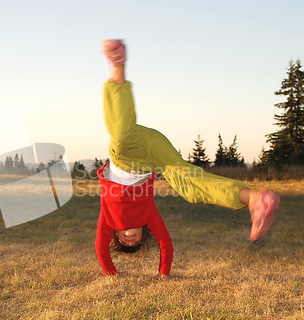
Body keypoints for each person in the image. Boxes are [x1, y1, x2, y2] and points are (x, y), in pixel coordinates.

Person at [95, 40, 280, 281]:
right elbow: (165, 243)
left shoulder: (107, 220)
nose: (130, 239)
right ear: (144, 233)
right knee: (188, 182)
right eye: (136, 242)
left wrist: (111, 273)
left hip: (127, 156)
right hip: (154, 157)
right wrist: (164, 273)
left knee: (120, 133)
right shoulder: (149, 217)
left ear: (116, 235)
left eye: (124, 241)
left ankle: (117, 64)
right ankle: (254, 198)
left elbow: (101, 250)